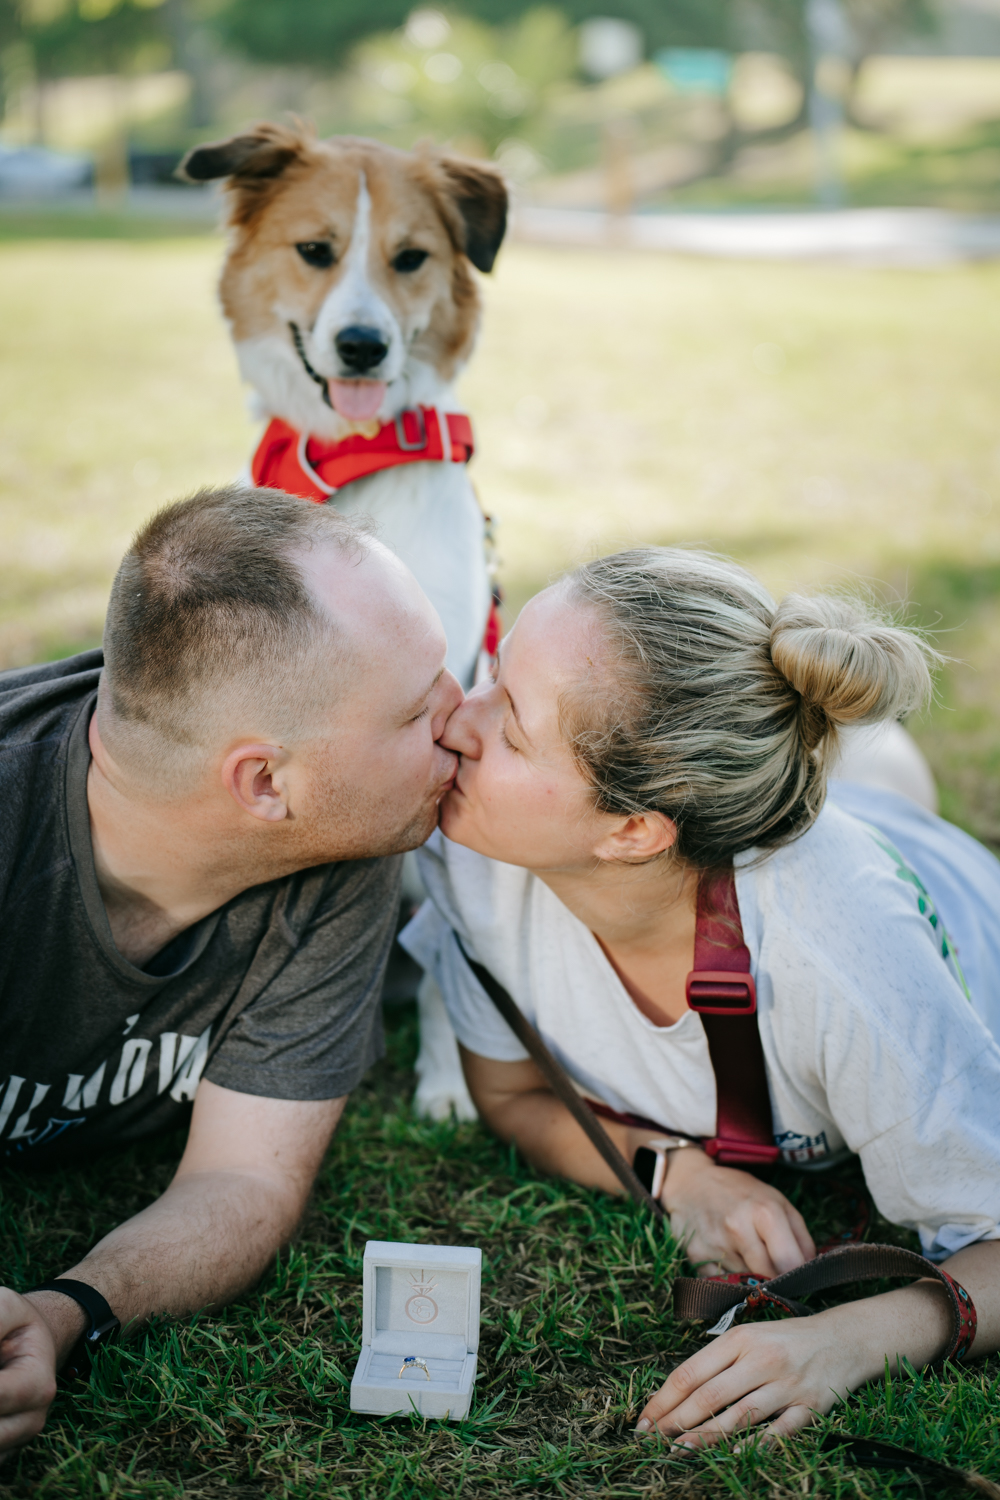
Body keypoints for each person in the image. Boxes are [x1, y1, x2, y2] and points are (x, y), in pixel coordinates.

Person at [401, 545, 1000, 1446]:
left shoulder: (842, 953)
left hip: (914, 878)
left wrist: (847, 1339)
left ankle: (877, 768)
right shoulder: (476, 864)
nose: (455, 718)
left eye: (511, 726)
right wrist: (676, 1172)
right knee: (862, 782)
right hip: (776, 828)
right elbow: (511, 1093)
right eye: (491, 675)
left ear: (633, 830)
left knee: (888, 787)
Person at [0, 484, 461, 1453]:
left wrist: (61, 1311)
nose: (464, 726)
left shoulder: (348, 841)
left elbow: (244, 1182)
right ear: (264, 782)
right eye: (422, 710)